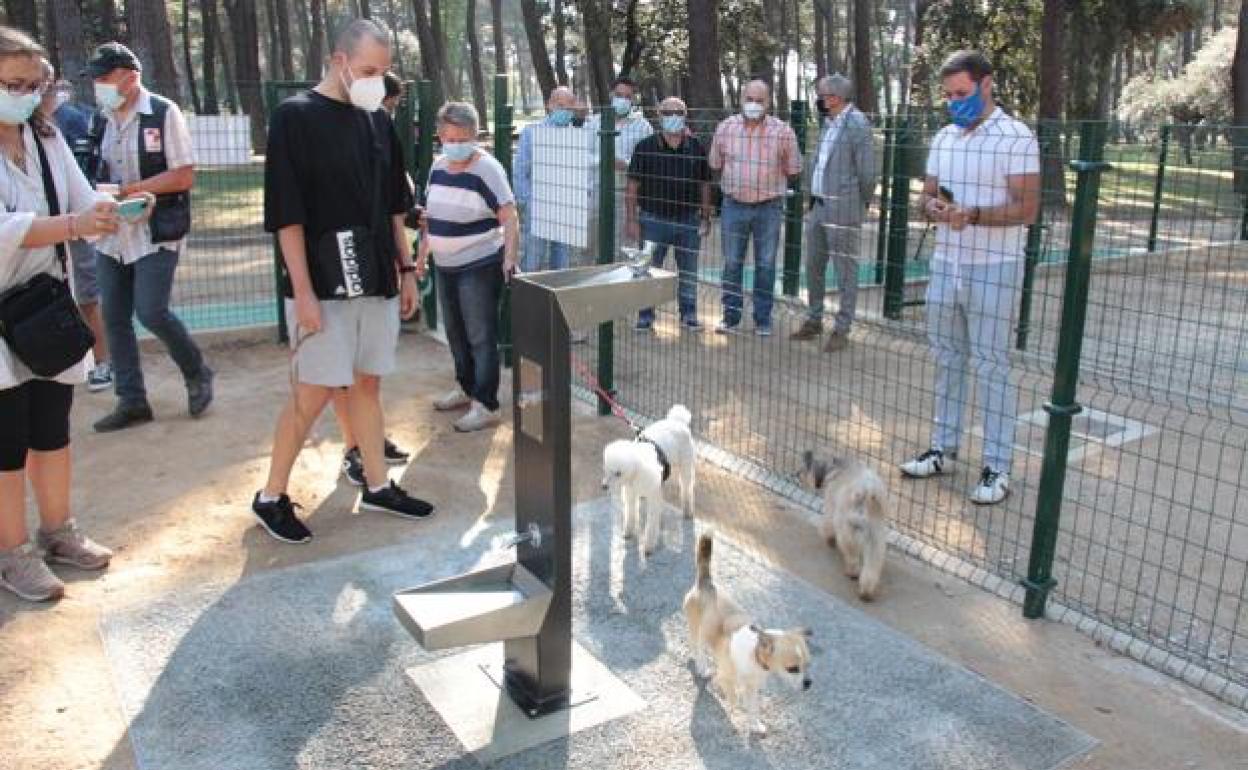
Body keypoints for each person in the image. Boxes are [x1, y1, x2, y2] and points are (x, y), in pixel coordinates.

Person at [255, 19, 432, 543]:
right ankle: (270, 497)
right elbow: (287, 214)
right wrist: (303, 292)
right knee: (312, 393)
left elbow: (393, 209)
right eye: (368, 70)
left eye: (384, 71)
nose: (377, 81)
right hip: (322, 285)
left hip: (375, 275)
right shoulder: (295, 117)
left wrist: (405, 271)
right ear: (338, 61)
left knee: (368, 383)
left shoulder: (377, 119)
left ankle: (377, 485)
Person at [0, 27, 119, 601]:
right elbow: (7, 232)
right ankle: (12, 553)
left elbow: (79, 197)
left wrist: (108, 206)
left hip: (44, 306)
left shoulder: (44, 137)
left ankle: (58, 531)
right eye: (12, 85)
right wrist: (74, 226)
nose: (25, 95)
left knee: (51, 426)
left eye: (32, 85)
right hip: (1, 313)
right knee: (7, 437)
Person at [898, 50, 1040, 506]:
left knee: (991, 365)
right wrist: (935, 208)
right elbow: (928, 195)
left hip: (994, 268)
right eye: (948, 95)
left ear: (986, 85)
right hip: (947, 264)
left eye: (961, 93)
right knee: (947, 359)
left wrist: (973, 215)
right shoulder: (945, 137)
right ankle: (943, 447)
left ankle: (998, 466)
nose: (954, 102)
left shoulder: (1016, 136)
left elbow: (1028, 208)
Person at [85, 42, 213, 431]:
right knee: (114, 316)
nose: (98, 85)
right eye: (96, 78)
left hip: (156, 232)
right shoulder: (101, 118)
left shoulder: (162, 112)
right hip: (112, 234)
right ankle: (132, 400)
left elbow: (184, 174)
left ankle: (197, 371)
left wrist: (133, 190)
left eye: (105, 77)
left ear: (130, 76)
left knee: (151, 310)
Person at [331, 66, 411, 487]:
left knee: (369, 371)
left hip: (377, 262)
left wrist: (408, 268)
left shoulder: (380, 127)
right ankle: (354, 447)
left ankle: (370, 438)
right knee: (338, 371)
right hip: (338, 263)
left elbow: (396, 202)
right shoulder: (318, 125)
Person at [420, 102, 518, 432]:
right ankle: (465, 388)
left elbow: (509, 215)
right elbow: (429, 217)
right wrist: (422, 255)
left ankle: (486, 404)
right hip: (444, 265)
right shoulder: (438, 166)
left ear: (474, 135)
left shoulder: (487, 169)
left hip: (478, 263)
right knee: (455, 334)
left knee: (480, 336)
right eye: (447, 135)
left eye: (460, 136)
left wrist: (509, 257)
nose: (453, 142)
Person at [708, 79, 801, 337]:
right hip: (733, 206)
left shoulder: (783, 131)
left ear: (768, 103)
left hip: (768, 208)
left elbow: (794, 169)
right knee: (732, 263)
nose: (754, 105)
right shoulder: (725, 128)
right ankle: (731, 317)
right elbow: (715, 163)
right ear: (741, 99)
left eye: (760, 101)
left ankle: (763, 319)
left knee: (766, 264)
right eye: (749, 99)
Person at [39, 66, 111, 390]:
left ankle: (100, 362)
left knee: (87, 295)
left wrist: (102, 212)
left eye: (37, 85)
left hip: (74, 232)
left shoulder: (62, 127)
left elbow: (83, 191)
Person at [791, 74, 875, 352]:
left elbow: (866, 172)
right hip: (818, 206)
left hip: (844, 209)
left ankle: (842, 328)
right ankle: (814, 320)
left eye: (823, 95)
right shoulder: (829, 122)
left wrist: (858, 203)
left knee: (845, 272)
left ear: (835, 98)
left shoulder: (857, 124)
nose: (819, 99)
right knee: (814, 266)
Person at [624, 95, 712, 331]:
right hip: (653, 220)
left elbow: (705, 184)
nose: (673, 117)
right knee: (648, 270)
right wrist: (631, 220)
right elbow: (632, 187)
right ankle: (645, 315)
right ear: (659, 116)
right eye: (668, 113)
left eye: (678, 113)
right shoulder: (645, 147)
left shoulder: (696, 147)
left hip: (688, 221)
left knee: (689, 271)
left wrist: (705, 215)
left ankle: (689, 314)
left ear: (685, 117)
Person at [513, 85, 578, 272]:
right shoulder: (532, 132)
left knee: (562, 263)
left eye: (568, 107)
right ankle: (528, 300)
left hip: (566, 208)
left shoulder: (578, 135)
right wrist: (527, 201)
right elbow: (520, 171)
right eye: (559, 105)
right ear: (549, 105)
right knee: (532, 260)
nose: (563, 111)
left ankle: (556, 300)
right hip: (537, 206)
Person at [586, 76, 654, 252]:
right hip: (596, 192)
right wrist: (604, 161)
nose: (622, 100)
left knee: (624, 248)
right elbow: (583, 155)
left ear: (633, 99)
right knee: (592, 246)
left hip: (626, 195)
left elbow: (648, 159)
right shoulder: (594, 122)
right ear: (611, 95)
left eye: (627, 96)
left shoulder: (643, 126)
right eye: (619, 95)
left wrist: (626, 164)